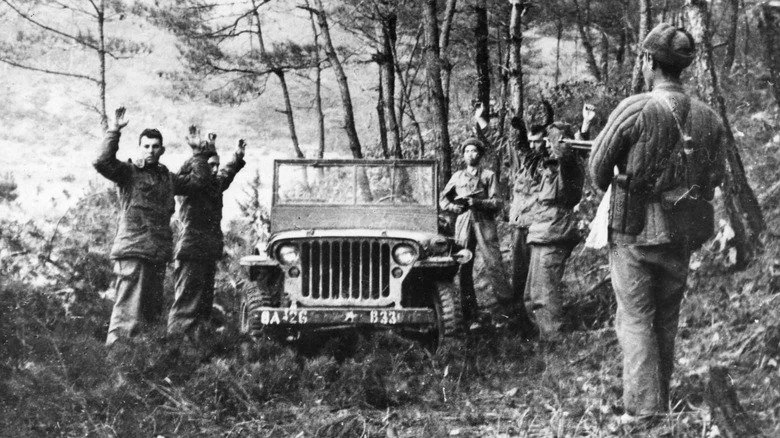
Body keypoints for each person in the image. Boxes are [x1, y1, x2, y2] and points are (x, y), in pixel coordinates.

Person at [588, 23, 724, 423]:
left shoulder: (634, 109)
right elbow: (714, 179)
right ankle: (658, 398)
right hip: (683, 231)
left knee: (634, 318)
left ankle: (645, 410)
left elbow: (598, 171)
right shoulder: (709, 118)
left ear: (649, 61)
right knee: (666, 318)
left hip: (633, 231)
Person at [94, 108, 210, 346]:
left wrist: (198, 154)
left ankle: (143, 361)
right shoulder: (129, 172)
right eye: (146, 146)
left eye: (155, 146)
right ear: (139, 148)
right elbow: (102, 162)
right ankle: (118, 357)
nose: (150, 150)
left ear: (162, 150)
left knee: (149, 314)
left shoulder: (167, 177)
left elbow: (198, 183)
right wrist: (114, 130)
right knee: (127, 313)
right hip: (134, 250)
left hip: (157, 253)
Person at [507, 104, 594, 343]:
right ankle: (543, 338)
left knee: (544, 294)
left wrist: (562, 133)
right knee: (531, 294)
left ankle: (553, 340)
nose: (546, 146)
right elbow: (528, 153)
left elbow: (567, 155)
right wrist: (521, 133)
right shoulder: (547, 167)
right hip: (541, 232)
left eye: (550, 142)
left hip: (554, 232)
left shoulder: (569, 166)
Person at [168, 128, 246, 336]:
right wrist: (198, 154)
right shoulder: (190, 185)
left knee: (203, 307)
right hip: (191, 252)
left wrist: (237, 158)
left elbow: (226, 174)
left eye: (216, 165)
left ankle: (197, 347)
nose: (215, 169)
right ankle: (176, 345)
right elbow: (193, 174)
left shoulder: (214, 186)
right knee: (186, 307)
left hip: (207, 253)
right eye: (210, 165)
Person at [439, 137, 514, 328]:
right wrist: (454, 207)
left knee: (494, 264)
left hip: (484, 222)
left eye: (474, 151)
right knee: (463, 266)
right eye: (467, 151)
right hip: (463, 223)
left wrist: (478, 202)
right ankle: (470, 316)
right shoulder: (457, 177)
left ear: (480, 154)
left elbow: (497, 202)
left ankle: (503, 315)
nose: (470, 155)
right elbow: (443, 199)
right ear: (463, 155)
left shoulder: (488, 175)